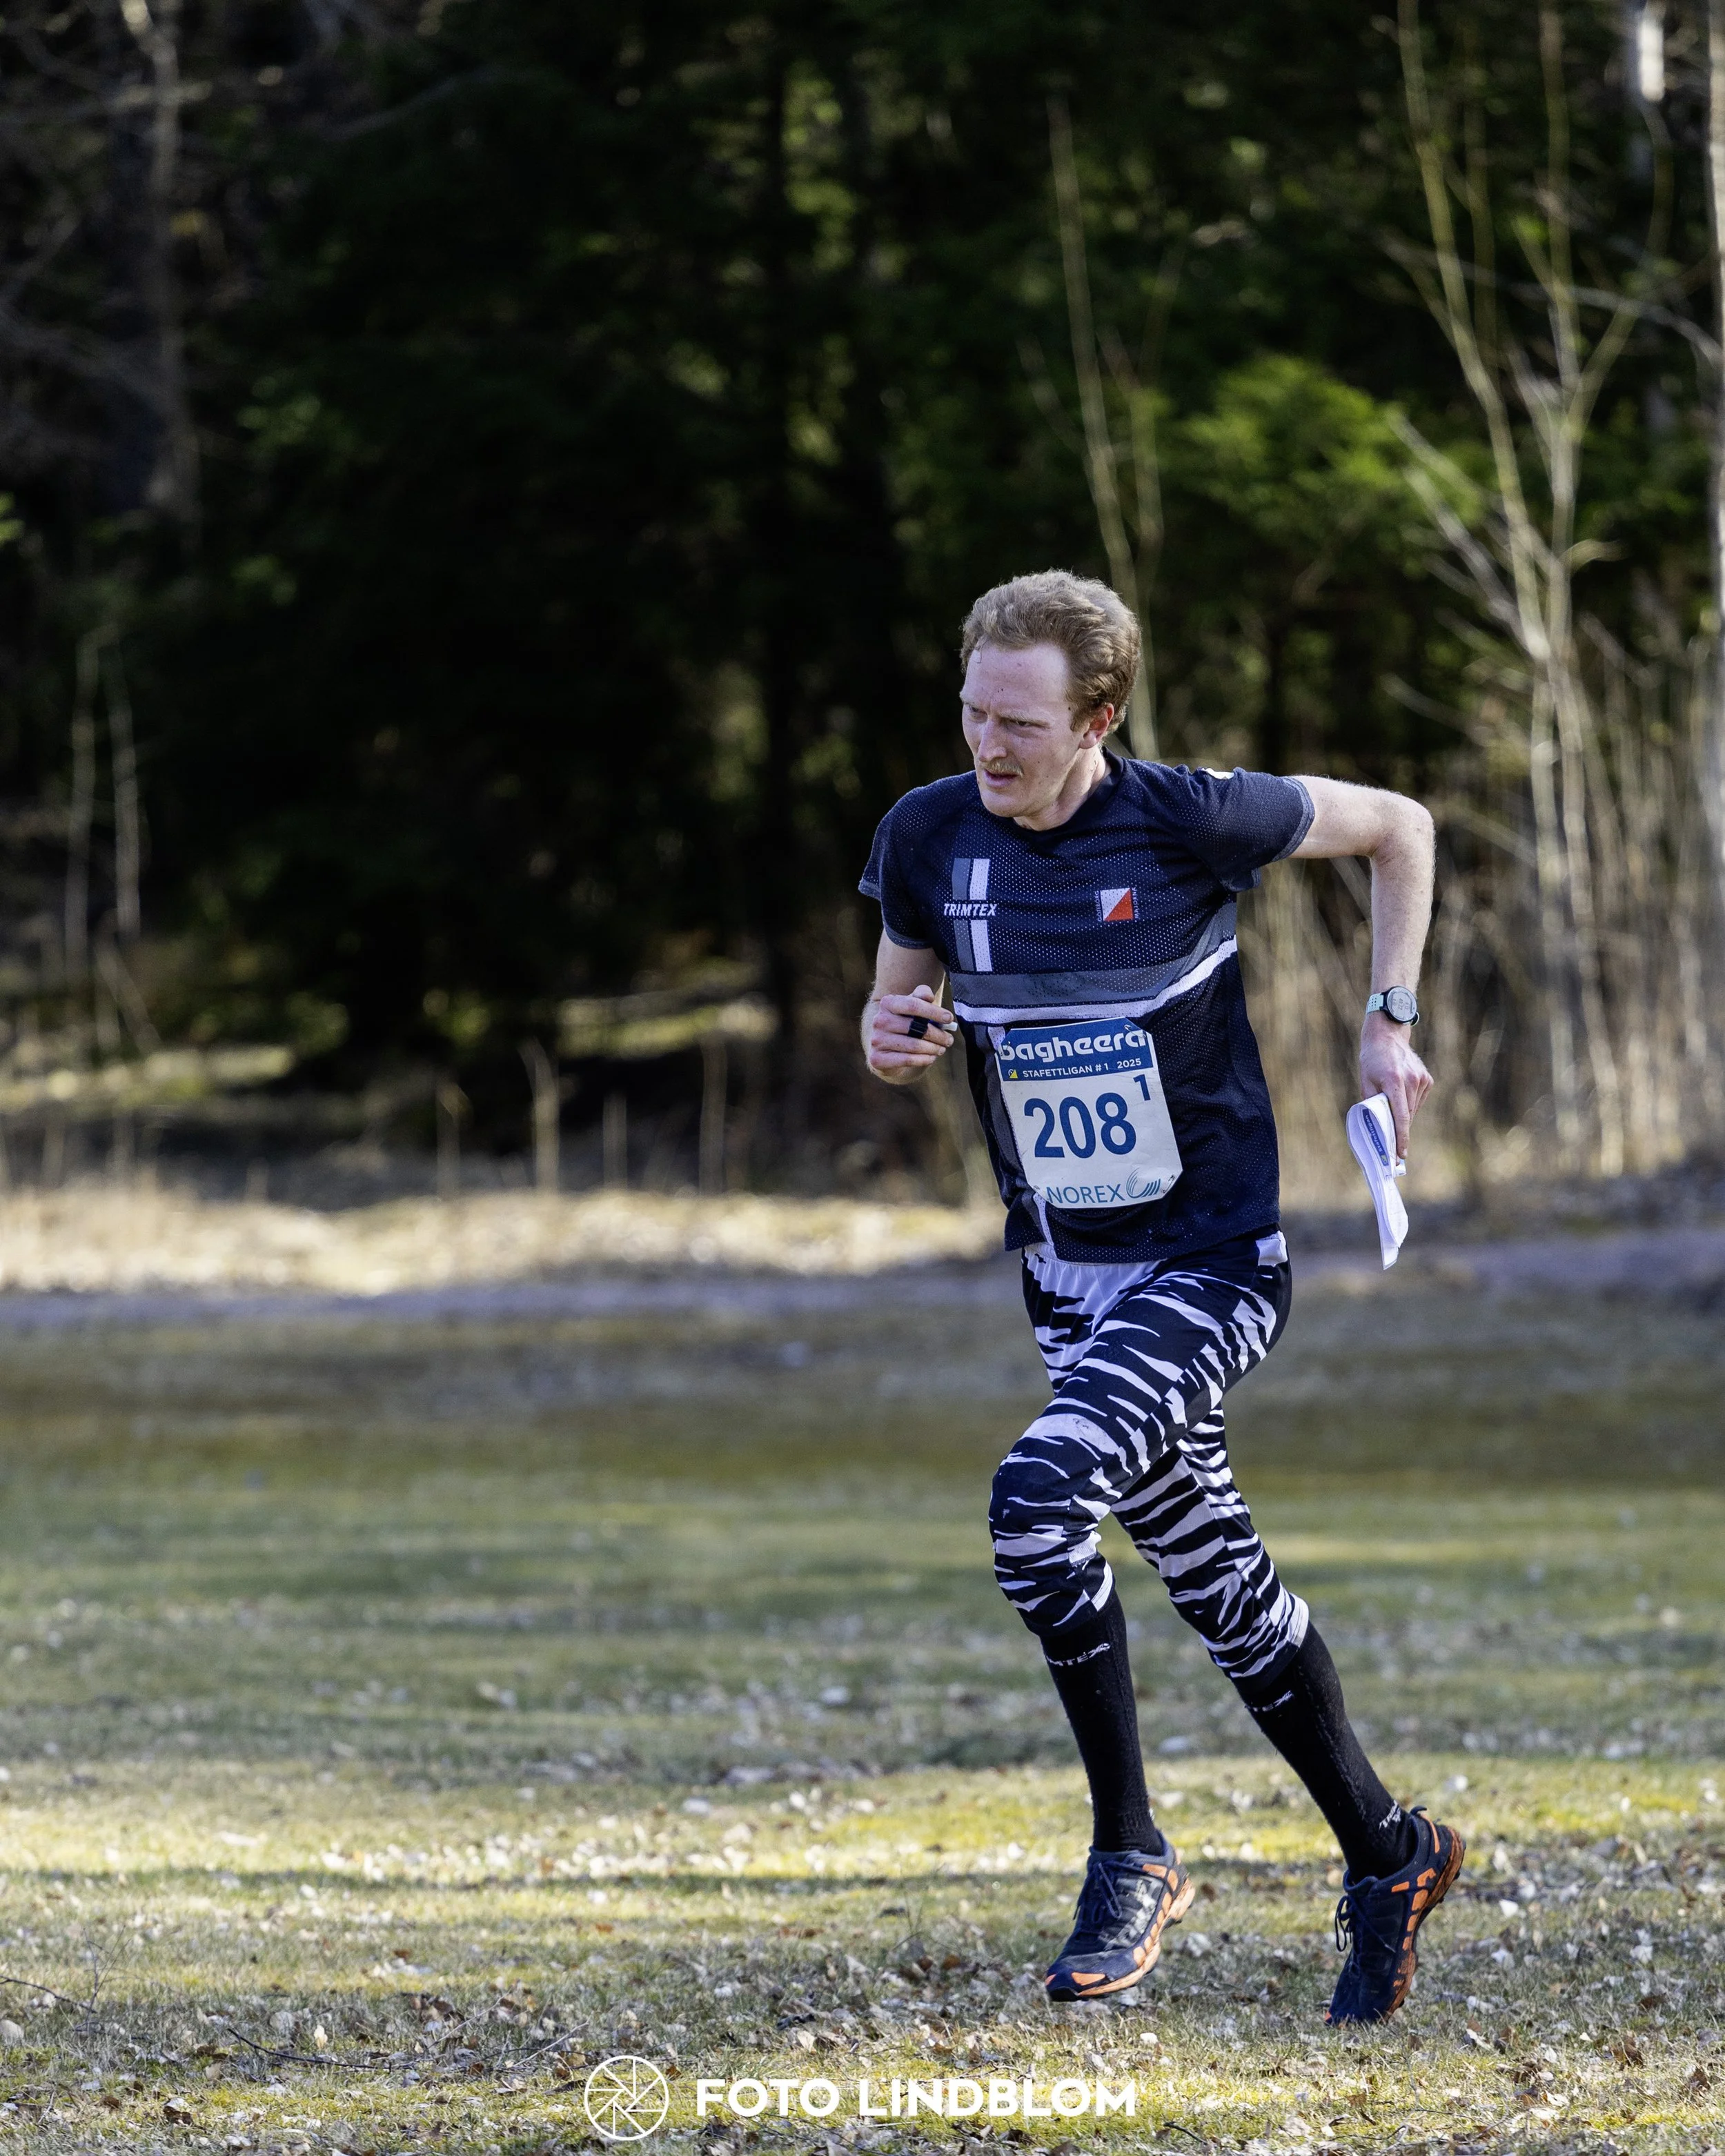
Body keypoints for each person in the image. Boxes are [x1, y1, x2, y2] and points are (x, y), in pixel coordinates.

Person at [858, 570, 1461, 2026]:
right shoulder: (927, 833)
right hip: (1064, 1277)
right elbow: (899, 1010)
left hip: (1208, 1265)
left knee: (1035, 1497)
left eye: (1016, 719)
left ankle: (1129, 1849)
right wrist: (890, 1032)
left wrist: (1388, 1025)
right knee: (1213, 1578)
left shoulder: (1188, 813)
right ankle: (1391, 1852)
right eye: (969, 709)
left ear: (1096, 717)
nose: (984, 742)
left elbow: (1400, 829)